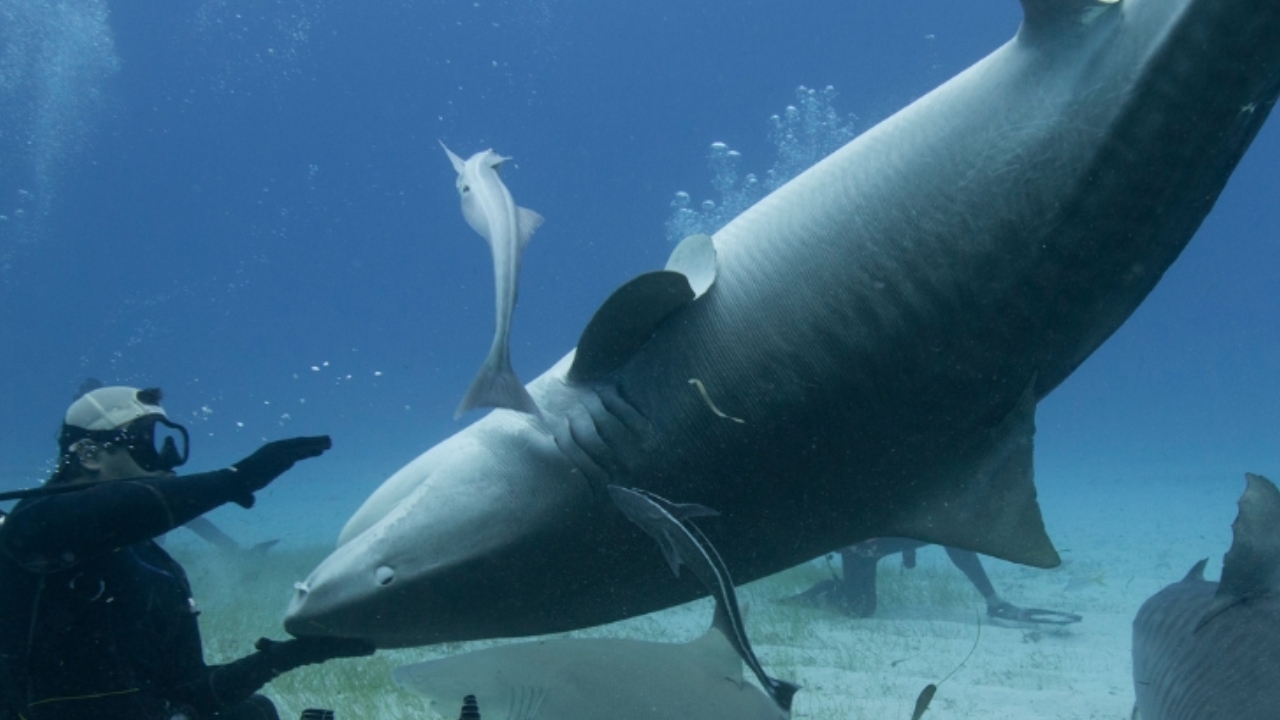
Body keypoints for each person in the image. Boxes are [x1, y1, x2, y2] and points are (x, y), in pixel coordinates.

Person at [0, 386, 374, 720]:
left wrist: (284, 658)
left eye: (170, 442)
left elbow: (190, 692)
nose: (168, 459)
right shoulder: (33, 531)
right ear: (89, 454)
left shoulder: (156, 566)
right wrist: (235, 478)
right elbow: (108, 513)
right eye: (147, 442)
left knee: (255, 713)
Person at [787, 538, 1082, 627]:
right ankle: (824, 592)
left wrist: (909, 553)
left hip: (883, 537)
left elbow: (914, 515)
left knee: (954, 537)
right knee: (859, 609)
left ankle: (994, 603)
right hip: (860, 544)